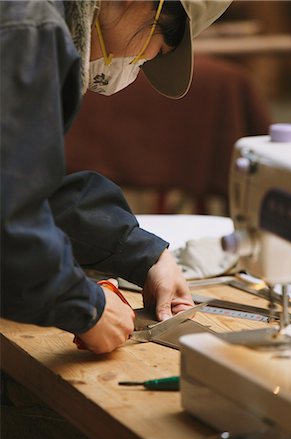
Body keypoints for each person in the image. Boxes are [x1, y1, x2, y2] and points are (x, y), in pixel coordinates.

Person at [0, 0, 231, 354]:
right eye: (158, 50)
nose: (141, 63)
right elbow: (9, 217)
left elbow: (24, 186)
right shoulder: (30, 29)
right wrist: (84, 306)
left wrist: (144, 253)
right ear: (145, 6)